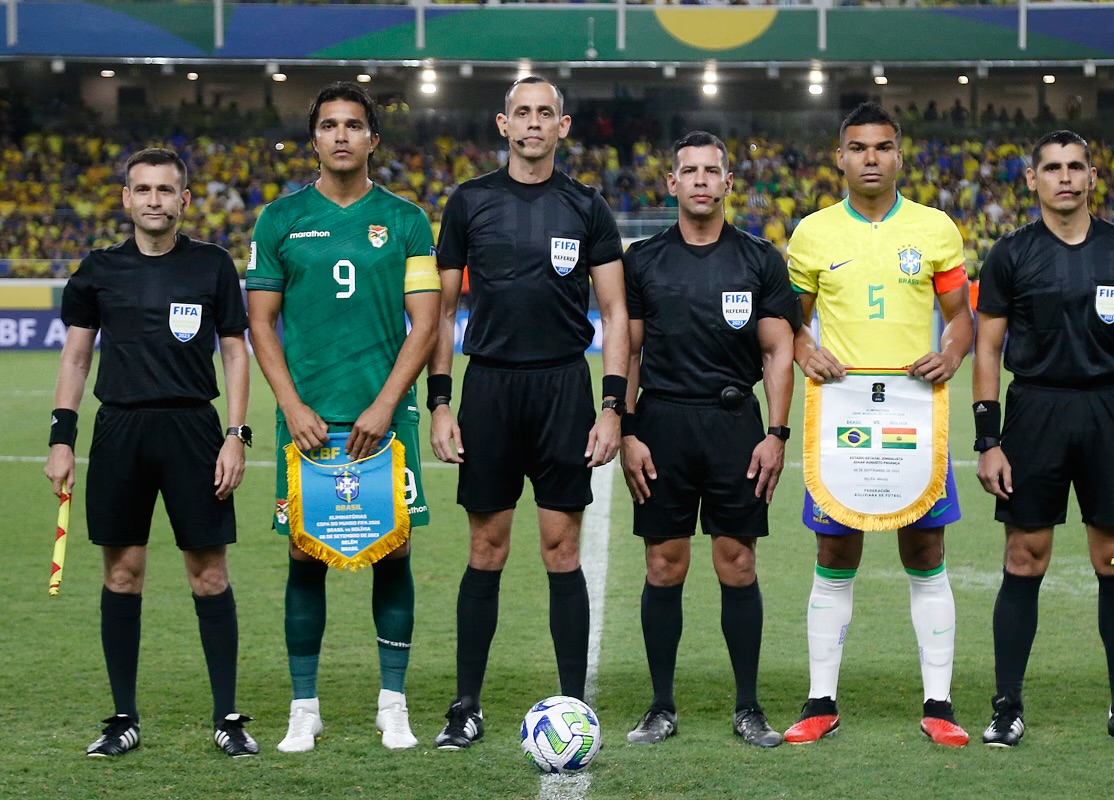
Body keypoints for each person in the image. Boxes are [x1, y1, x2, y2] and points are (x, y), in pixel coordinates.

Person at [428, 75, 629, 749]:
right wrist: (441, 400)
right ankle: (465, 705)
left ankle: (573, 707)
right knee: (486, 548)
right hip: (487, 389)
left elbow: (616, 312)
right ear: (504, 124)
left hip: (563, 390)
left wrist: (611, 407)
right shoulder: (470, 202)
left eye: (547, 113)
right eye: (524, 113)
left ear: (563, 127)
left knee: (561, 549)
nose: (535, 123)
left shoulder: (586, 206)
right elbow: (443, 313)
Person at [246, 82, 440, 753]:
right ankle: (306, 707)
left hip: (386, 422)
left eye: (353, 125)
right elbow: (260, 324)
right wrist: (292, 406)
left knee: (396, 550)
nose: (340, 135)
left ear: (372, 139)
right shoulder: (278, 220)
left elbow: (428, 320)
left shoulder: (408, 220)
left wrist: (387, 403)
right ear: (314, 137)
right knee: (305, 556)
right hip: (306, 421)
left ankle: (394, 703)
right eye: (328, 124)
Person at [44, 147, 256, 758]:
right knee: (122, 573)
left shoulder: (212, 265)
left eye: (166, 190)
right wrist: (63, 438)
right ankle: (121, 718)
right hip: (119, 433)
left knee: (209, 574)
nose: (155, 200)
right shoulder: (98, 270)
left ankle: (229, 716)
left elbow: (235, 353)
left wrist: (235, 435)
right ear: (126, 199)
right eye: (144, 190)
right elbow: (77, 357)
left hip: (194, 430)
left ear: (184, 200)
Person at [973, 130, 1114, 748]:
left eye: (1076, 167)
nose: (1065, 177)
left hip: (1111, 411)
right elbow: (987, 345)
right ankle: (1007, 705)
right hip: (1034, 411)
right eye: (1052, 167)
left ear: (1092, 177)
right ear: (1032, 180)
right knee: (1023, 557)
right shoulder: (1009, 254)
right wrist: (989, 438)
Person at [788, 102, 975, 747]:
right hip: (841, 418)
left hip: (914, 417)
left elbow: (960, 318)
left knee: (925, 554)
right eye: (859, 148)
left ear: (901, 155)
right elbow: (790, 319)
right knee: (834, 554)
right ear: (839, 157)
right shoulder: (812, 233)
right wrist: (804, 348)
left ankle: (940, 703)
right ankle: (820, 701)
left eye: (883, 147)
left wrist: (951, 352)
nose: (871, 158)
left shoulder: (936, 229)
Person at [620, 132, 795, 748]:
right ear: (671, 183)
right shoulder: (641, 260)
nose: (699, 180)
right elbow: (630, 352)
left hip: (733, 426)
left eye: (710, 170)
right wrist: (628, 429)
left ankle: (748, 708)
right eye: (687, 170)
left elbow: (778, 353)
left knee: (737, 563)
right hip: (662, 425)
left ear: (728, 183)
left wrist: (776, 433)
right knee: (664, 565)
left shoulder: (759, 259)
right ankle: (661, 707)